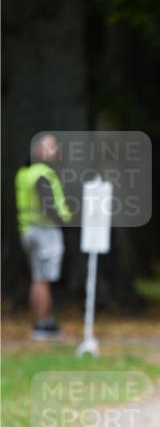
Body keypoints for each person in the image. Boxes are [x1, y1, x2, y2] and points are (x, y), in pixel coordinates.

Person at [15, 132, 73, 340]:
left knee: (38, 278)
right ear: (38, 149)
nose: (54, 150)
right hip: (44, 231)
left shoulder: (24, 172)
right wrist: (67, 222)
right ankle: (42, 323)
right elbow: (49, 206)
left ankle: (45, 321)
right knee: (43, 279)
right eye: (50, 146)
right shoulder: (42, 173)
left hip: (28, 230)